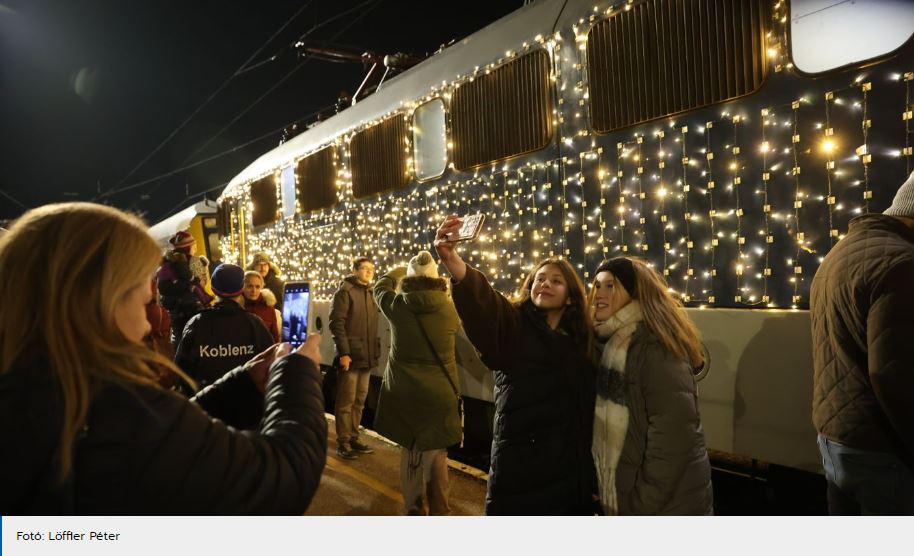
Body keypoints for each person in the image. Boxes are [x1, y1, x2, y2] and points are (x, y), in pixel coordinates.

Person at [0, 202, 327, 514]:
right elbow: (283, 480)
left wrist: (243, 382)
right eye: (143, 302)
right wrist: (296, 372)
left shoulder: (40, 395)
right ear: (100, 304)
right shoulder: (115, 409)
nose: (147, 324)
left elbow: (169, 433)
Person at [434, 215, 597, 515]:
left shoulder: (583, 341)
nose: (545, 283)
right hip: (520, 469)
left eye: (556, 280)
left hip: (569, 472)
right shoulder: (515, 325)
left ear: (571, 295)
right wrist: (451, 259)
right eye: (540, 279)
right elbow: (484, 303)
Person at [810, 170, 914, 515]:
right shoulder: (902, 263)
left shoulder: (840, 253)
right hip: (883, 452)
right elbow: (895, 374)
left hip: (837, 438)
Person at [589, 257, 713, 515]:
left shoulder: (653, 347)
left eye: (610, 286)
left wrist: (639, 505)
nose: (599, 294)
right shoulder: (610, 341)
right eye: (596, 286)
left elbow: (674, 443)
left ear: (635, 293)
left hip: (661, 507)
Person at [373, 251, 462, 515]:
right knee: (436, 455)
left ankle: (413, 510)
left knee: (411, 452)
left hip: (404, 392)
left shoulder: (397, 306)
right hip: (439, 394)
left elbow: (380, 287)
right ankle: (440, 511)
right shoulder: (449, 309)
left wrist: (400, 269)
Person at [174, 263, 274, 390]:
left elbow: (181, 370)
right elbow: (270, 365)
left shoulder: (197, 323)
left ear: (213, 288)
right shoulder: (255, 324)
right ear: (241, 288)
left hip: (206, 404)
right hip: (247, 403)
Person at [329, 256, 381, 459]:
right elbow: (337, 324)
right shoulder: (345, 292)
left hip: (367, 356)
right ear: (355, 270)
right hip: (350, 356)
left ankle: (353, 436)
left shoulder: (370, 292)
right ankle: (343, 442)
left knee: (359, 400)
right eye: (365, 269)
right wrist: (344, 353)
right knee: (346, 401)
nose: (369, 272)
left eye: (372, 269)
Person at [156, 231, 213, 344]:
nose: (195, 247)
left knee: (181, 340)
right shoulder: (195, 261)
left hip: (175, 310)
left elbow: (162, 287)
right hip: (193, 307)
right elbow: (201, 284)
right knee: (197, 340)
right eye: (193, 244)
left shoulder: (166, 264)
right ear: (188, 247)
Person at [243, 271, 281, 343]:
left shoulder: (268, 308)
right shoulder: (238, 307)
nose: (254, 291)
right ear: (242, 287)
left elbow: (275, 336)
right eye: (250, 286)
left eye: (257, 287)